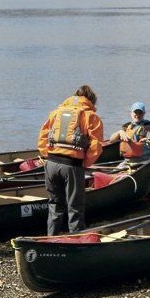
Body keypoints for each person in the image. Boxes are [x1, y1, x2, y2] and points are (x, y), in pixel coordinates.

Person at [38, 85, 104, 235]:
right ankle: (77, 239)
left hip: (51, 163)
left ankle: (51, 239)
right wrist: (85, 163)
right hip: (72, 165)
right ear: (91, 100)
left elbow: (42, 136)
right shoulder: (90, 116)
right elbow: (96, 145)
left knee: (55, 204)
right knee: (75, 207)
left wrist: (46, 155)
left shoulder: (55, 112)